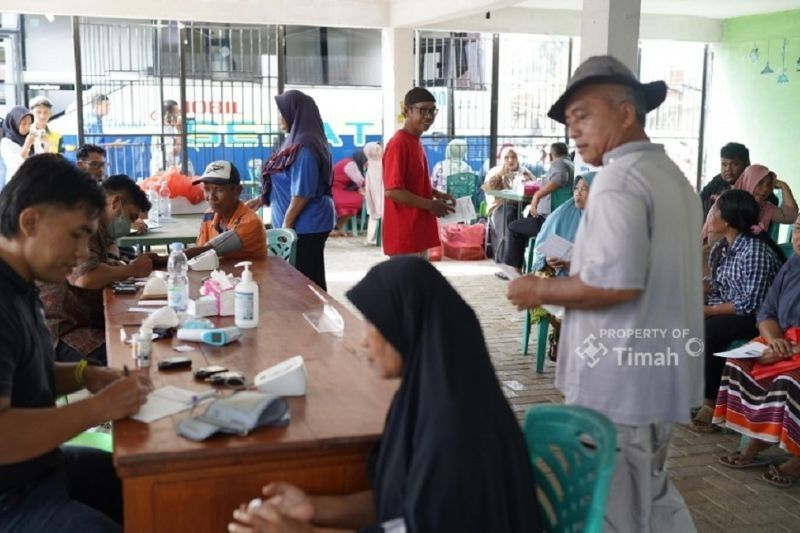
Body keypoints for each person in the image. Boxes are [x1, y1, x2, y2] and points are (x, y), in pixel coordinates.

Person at [507, 55, 703, 532]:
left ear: (625, 113)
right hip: (659, 369)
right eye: (568, 119)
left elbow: (615, 285)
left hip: (621, 377)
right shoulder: (672, 177)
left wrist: (539, 288)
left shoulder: (618, 181)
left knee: (615, 506)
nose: (573, 129)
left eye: (583, 114)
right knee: (652, 492)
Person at [228, 257, 540, 533]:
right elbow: (399, 506)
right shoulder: (422, 398)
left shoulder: (456, 430)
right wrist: (314, 508)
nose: (363, 342)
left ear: (404, 327)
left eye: (372, 325)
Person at [0, 153, 152, 532]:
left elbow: (26, 373)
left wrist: (88, 374)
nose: (84, 253)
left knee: (138, 485)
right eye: (77, 235)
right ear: (30, 221)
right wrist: (97, 408)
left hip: (37, 468)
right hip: (10, 499)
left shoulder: (19, 281)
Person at [713, 215, 800, 487]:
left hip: (795, 347)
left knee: (789, 381)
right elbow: (767, 311)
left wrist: (790, 350)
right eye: (798, 229)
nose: (799, 237)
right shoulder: (792, 265)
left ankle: (797, 456)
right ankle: (758, 440)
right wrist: (775, 340)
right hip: (783, 340)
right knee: (737, 366)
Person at [690, 190, 785, 432]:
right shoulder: (722, 248)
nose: (710, 215)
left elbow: (751, 303)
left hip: (760, 317)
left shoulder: (754, 251)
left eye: (715, 211)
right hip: (733, 310)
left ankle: (711, 402)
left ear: (728, 219)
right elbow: (720, 288)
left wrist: (709, 310)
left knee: (709, 330)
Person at [38, 174, 154, 364]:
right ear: (116, 202)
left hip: (80, 319)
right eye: (131, 217)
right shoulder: (82, 222)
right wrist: (131, 269)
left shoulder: (99, 225)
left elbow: (107, 252)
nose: (131, 224)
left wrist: (119, 264)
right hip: (61, 330)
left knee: (141, 336)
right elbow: (85, 277)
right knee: (129, 354)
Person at [260, 90, 335, 290]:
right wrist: (259, 200)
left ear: (295, 113)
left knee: (306, 284)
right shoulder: (295, 140)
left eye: (281, 112)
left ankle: (313, 319)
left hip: (305, 228)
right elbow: (284, 178)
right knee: (297, 282)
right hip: (299, 225)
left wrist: (285, 228)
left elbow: (302, 193)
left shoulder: (304, 147)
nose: (279, 118)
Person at [382, 87, 454, 258]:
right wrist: (430, 205)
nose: (429, 116)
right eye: (422, 110)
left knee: (419, 284)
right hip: (404, 235)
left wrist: (436, 194)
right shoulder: (399, 144)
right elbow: (393, 191)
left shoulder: (416, 142)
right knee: (408, 284)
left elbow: (412, 184)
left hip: (418, 233)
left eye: (432, 111)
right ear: (407, 111)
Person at [501, 142, 574, 271]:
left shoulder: (559, 164)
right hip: (557, 218)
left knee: (513, 227)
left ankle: (514, 270)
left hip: (548, 221)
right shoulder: (571, 164)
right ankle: (525, 264)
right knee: (523, 219)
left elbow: (561, 178)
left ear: (551, 156)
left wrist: (538, 195)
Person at [193, 161, 268, 262]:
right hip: (221, 276)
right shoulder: (209, 215)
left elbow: (207, 250)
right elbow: (198, 256)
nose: (211, 197)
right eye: (207, 189)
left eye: (218, 190)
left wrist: (170, 258)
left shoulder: (250, 222)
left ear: (237, 191)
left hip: (252, 276)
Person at [702, 164, 798, 242]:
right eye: (760, 183)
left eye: (769, 185)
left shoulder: (765, 208)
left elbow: (791, 217)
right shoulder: (726, 202)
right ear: (749, 181)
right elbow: (712, 239)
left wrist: (784, 186)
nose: (765, 189)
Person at [530, 172, 596, 275]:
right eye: (576, 188)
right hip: (560, 276)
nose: (578, 193)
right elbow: (541, 247)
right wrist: (547, 260)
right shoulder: (563, 214)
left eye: (584, 189)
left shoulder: (605, 221)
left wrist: (573, 265)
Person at [482, 146, 534, 261]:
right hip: (499, 208)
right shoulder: (495, 171)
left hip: (522, 207)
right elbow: (487, 188)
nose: (510, 160)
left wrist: (528, 182)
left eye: (513, 157)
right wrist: (499, 175)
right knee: (509, 215)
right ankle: (506, 259)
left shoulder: (524, 171)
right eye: (506, 157)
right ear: (501, 159)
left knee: (531, 217)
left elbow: (535, 189)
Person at [699, 142, 750, 218]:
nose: (728, 169)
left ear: (746, 164)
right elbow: (701, 198)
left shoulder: (756, 186)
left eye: (734, 164)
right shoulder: (717, 181)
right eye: (724, 164)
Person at [149, 99, 193, 176]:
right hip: (163, 168)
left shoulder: (169, 127)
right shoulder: (163, 128)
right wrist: (180, 132)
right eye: (175, 113)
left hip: (168, 166)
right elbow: (174, 151)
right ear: (167, 114)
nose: (178, 115)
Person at [331, 150, 366, 235]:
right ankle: (336, 227)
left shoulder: (349, 162)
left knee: (357, 198)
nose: (366, 165)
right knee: (357, 200)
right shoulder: (351, 164)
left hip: (338, 190)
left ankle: (338, 227)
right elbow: (360, 181)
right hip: (334, 190)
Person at [0, 106, 35, 182]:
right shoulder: (6, 143)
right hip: (16, 185)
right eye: (23, 124)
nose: (27, 127)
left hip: (31, 184)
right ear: (13, 123)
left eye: (29, 124)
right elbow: (15, 164)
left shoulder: (30, 138)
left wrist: (45, 143)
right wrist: (27, 145)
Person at [362, 142, 383, 246]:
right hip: (382, 199)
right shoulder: (380, 164)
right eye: (377, 150)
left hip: (375, 200)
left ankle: (373, 238)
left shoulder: (370, 165)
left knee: (374, 216)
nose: (380, 151)